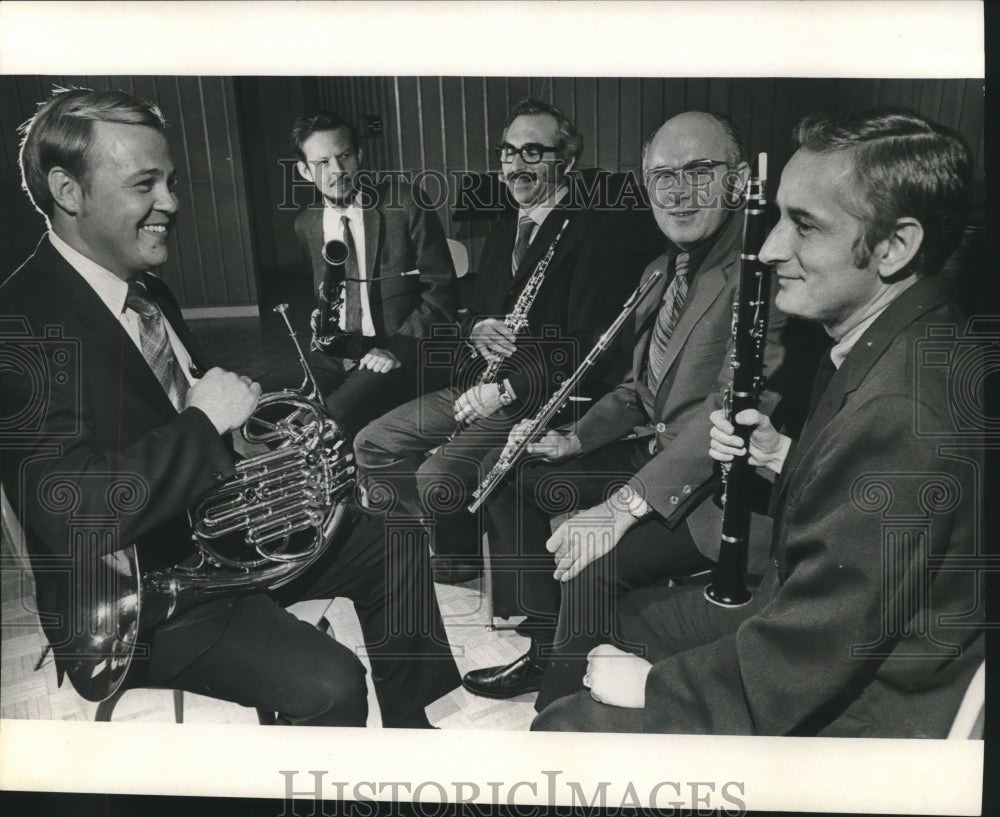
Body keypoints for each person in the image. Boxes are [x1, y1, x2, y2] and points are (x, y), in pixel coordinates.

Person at [0, 88, 459, 728]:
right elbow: (74, 511)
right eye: (144, 184)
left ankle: (414, 734)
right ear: (68, 191)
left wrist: (270, 442)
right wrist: (204, 421)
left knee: (396, 537)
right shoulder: (19, 324)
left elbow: (196, 428)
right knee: (331, 684)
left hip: (212, 547)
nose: (172, 202)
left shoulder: (148, 292)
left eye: (171, 181)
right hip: (142, 601)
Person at [532, 109, 984, 737]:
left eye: (804, 226)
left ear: (895, 246)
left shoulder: (903, 409)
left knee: (570, 728)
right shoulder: (903, 341)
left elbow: (817, 649)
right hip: (812, 620)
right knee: (617, 624)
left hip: (861, 719)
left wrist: (653, 688)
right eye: (778, 218)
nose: (771, 250)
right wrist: (781, 455)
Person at [461, 112, 805, 706]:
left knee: (596, 556)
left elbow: (729, 410)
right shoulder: (658, 271)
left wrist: (622, 507)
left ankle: (562, 711)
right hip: (656, 451)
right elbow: (635, 392)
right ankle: (549, 647)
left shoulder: (762, 277)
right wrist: (574, 439)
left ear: (737, 179)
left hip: (714, 487)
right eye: (661, 176)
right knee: (518, 477)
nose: (677, 191)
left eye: (698, 171)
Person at [352, 99, 640, 564]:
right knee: (373, 443)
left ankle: (458, 554)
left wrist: (504, 391)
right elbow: (477, 313)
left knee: (437, 477)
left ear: (564, 162)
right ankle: (445, 538)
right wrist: (475, 327)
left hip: (535, 395)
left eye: (532, 152)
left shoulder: (595, 234)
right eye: (508, 152)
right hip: (480, 381)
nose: (514, 165)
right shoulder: (505, 232)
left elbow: (589, 348)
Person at [291, 110, 458, 436]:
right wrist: (323, 318)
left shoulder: (405, 202)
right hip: (340, 351)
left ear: (359, 155)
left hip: (404, 348)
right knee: (277, 405)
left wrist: (397, 350)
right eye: (322, 162)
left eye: (345, 156)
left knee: (332, 418)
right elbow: (329, 291)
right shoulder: (306, 224)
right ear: (304, 170)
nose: (337, 171)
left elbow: (442, 291)